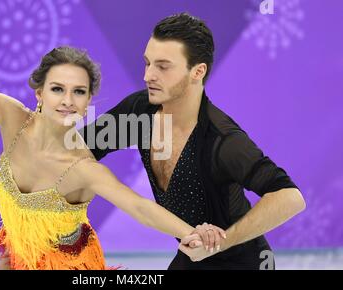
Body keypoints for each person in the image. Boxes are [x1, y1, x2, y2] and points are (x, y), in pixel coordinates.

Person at [0, 22, 225, 270]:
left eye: (79, 92)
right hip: (18, 251)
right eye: (57, 89)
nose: (67, 101)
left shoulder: (82, 167)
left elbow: (138, 206)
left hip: (71, 266)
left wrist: (191, 233)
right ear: (39, 92)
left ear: (88, 102)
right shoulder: (12, 118)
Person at [80, 13, 306, 270]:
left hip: (243, 262)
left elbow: (290, 197)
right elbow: (76, 149)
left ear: (198, 71)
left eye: (163, 67)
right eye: (147, 63)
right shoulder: (140, 111)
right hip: (191, 257)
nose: (148, 75)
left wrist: (220, 243)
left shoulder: (222, 140)